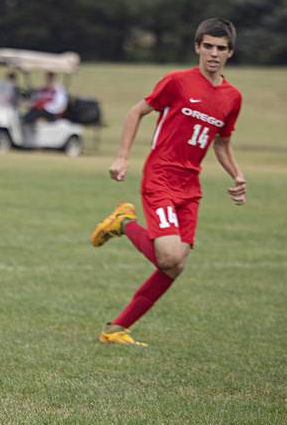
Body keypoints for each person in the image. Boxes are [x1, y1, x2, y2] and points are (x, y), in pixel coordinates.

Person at [90, 18, 246, 346]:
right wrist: (122, 157)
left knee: (175, 267)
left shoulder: (233, 97)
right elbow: (136, 112)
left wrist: (237, 175)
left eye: (221, 48)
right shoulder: (177, 82)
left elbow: (221, 142)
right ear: (197, 48)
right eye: (208, 46)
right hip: (160, 175)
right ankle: (124, 222)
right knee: (169, 257)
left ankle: (116, 329)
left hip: (191, 186)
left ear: (230, 52)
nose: (213, 54)